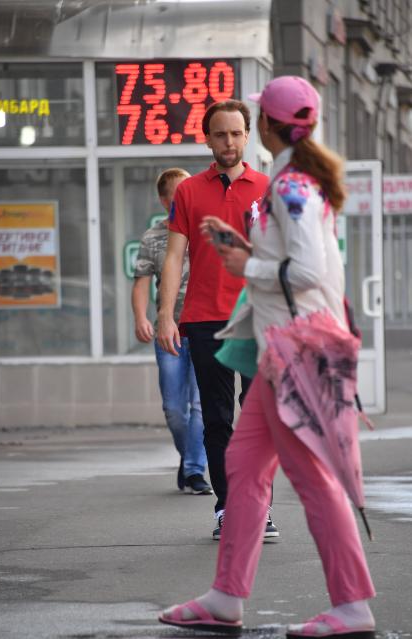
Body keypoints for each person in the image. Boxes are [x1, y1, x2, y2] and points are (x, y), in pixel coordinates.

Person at [158, 76, 376, 638]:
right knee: (243, 468)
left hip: (294, 349)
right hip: (281, 346)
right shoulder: (294, 179)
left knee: (310, 479)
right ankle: (226, 597)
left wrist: (245, 266)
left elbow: (307, 272)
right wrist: (250, 254)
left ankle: (351, 606)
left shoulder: (289, 187)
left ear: (269, 127)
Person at [157, 100, 279, 541]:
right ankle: (228, 507)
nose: (228, 141)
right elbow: (173, 257)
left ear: (247, 136)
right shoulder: (188, 192)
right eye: (219, 134)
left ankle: (259, 507)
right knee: (217, 419)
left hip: (258, 318)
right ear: (207, 138)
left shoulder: (268, 188)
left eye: (235, 133)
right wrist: (166, 314)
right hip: (205, 319)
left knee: (260, 419)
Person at [132, 168, 212, 496]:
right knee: (174, 408)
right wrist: (141, 317)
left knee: (202, 405)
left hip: (206, 326)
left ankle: (194, 471)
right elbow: (140, 283)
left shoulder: (207, 229)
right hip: (170, 332)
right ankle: (190, 457)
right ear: (165, 200)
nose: (187, 198)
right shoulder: (153, 238)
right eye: (179, 194)